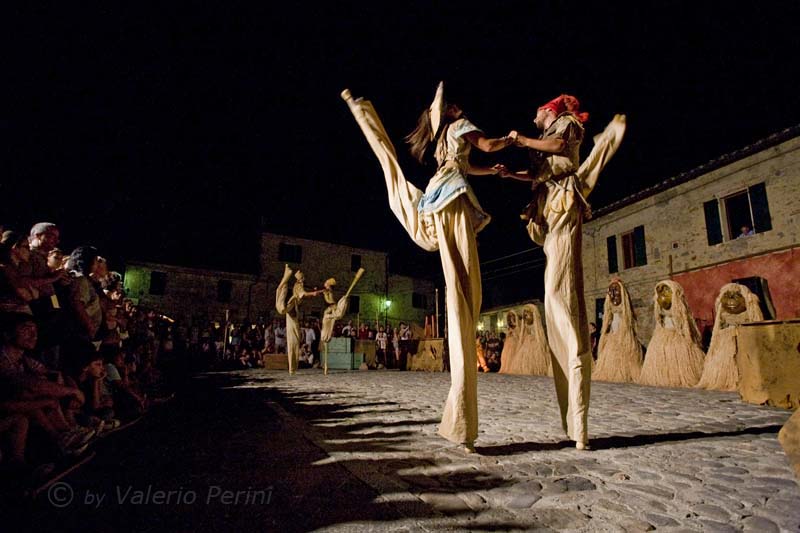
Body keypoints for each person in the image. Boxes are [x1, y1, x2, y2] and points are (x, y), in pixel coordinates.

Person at [343, 82, 513, 453]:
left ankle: (360, 112)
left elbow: (469, 165)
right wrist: (511, 139)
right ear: (450, 113)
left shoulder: (444, 140)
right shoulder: (460, 125)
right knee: (466, 298)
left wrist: (492, 172)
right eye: (453, 105)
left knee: (394, 178)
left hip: (435, 206)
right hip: (450, 205)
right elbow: (486, 145)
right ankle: (463, 421)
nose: (458, 106)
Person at [498, 95, 626, 450]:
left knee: (558, 293)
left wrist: (521, 140)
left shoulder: (566, 125)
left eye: (537, 110)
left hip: (565, 202)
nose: (533, 114)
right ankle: (575, 421)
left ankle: (578, 374)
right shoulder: (547, 135)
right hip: (549, 206)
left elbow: (557, 147)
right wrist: (511, 174)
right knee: (553, 295)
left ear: (551, 110)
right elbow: (541, 172)